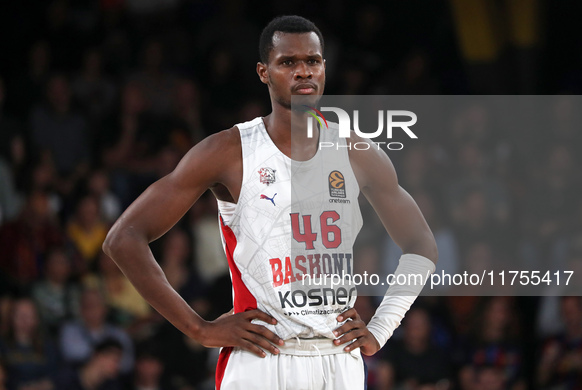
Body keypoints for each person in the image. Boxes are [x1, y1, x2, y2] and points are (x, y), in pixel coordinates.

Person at [103, 15, 437, 390]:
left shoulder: (356, 151)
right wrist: (200, 328)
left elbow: (421, 244)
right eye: (288, 62)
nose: (302, 72)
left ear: (325, 67)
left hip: (338, 359)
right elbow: (124, 237)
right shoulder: (228, 150)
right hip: (264, 357)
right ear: (264, 72)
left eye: (312, 61)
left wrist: (381, 327)